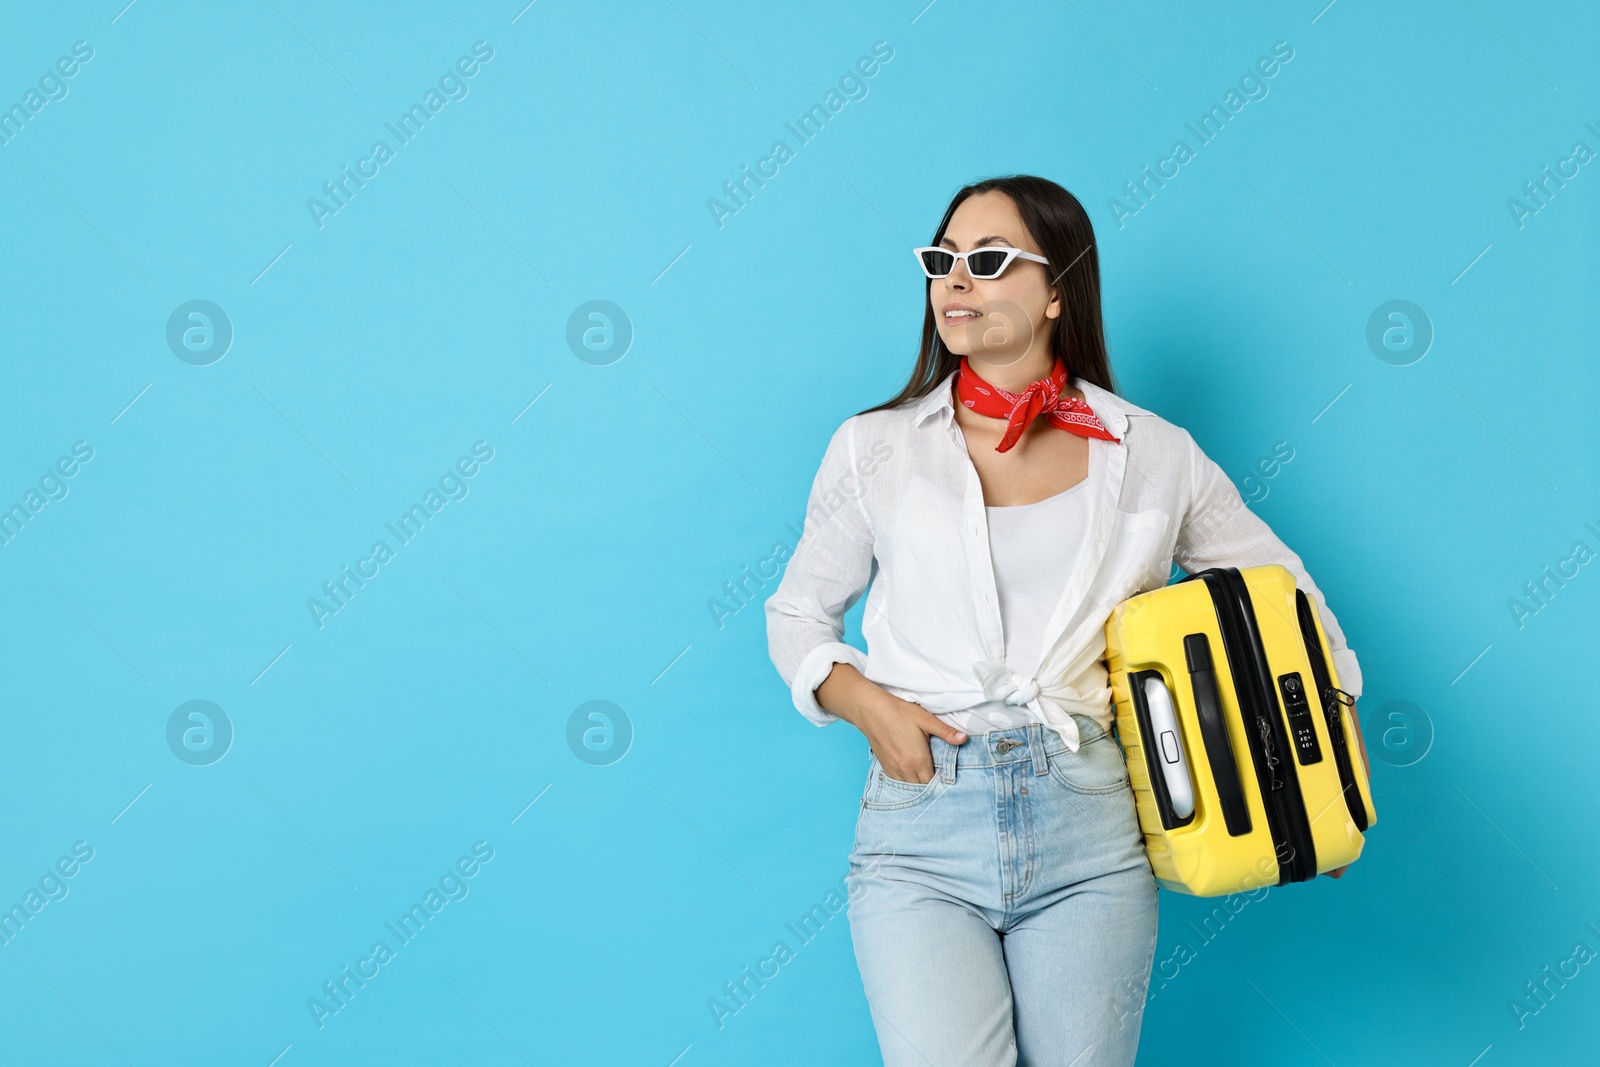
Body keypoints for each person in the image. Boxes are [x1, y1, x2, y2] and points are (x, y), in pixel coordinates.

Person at [763, 174, 1370, 1066]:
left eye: (988, 259)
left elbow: (1285, 599)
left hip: (1093, 823)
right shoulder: (874, 447)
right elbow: (797, 611)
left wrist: (1331, 758)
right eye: (942, 262)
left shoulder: (1153, 452)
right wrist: (868, 705)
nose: (955, 281)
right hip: (921, 824)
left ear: (1057, 290)